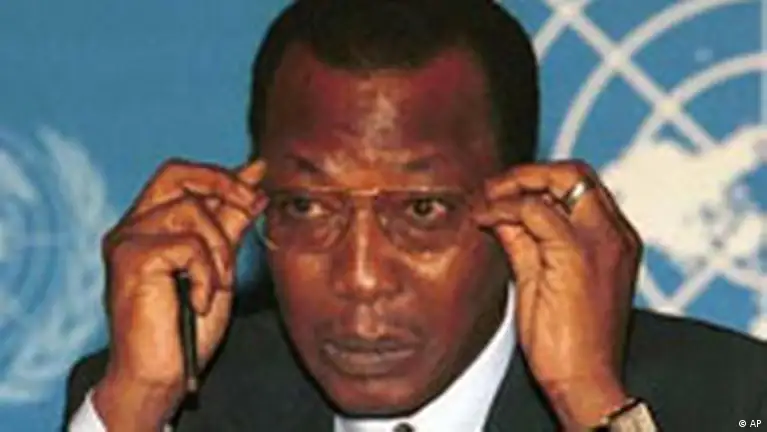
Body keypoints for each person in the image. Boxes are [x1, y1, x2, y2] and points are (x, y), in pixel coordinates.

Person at [64, 0, 767, 431]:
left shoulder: (730, 396)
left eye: (423, 209)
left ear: (527, 208)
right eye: (306, 205)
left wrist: (588, 401)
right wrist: (137, 403)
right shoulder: (171, 405)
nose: (362, 278)